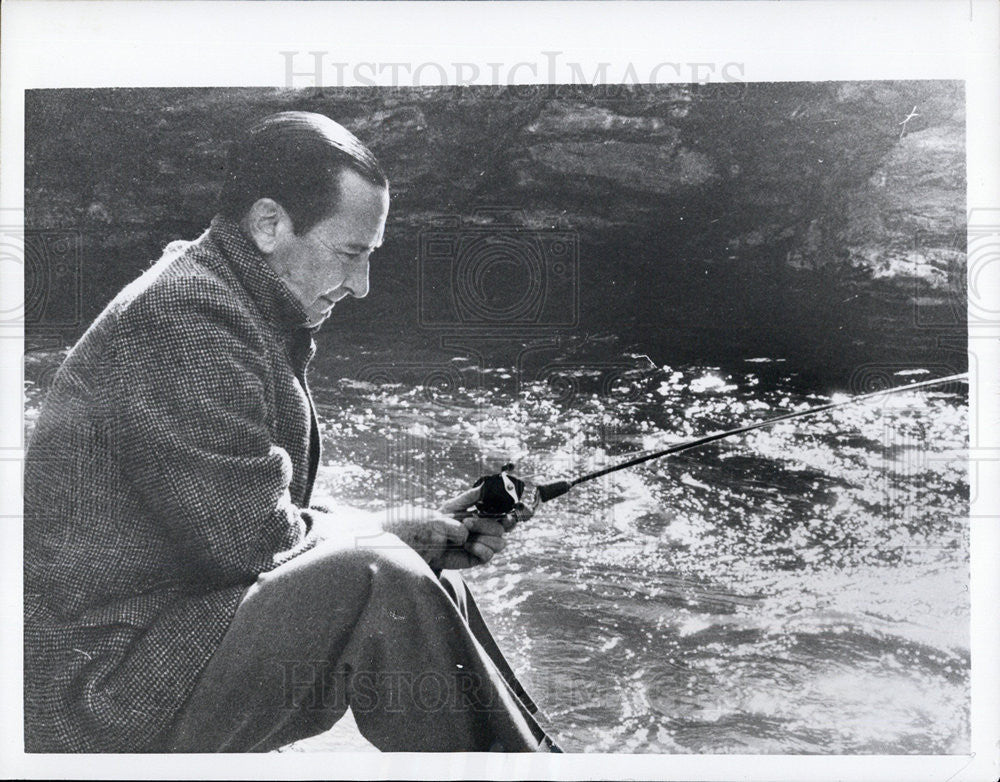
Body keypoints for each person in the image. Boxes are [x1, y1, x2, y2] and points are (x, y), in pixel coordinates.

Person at [23, 111, 559, 753]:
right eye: (350, 254)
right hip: (96, 695)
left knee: (423, 576)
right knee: (376, 574)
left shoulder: (223, 300)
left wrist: (407, 531)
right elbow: (252, 544)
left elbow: (255, 519)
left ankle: (535, 760)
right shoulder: (183, 318)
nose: (361, 287)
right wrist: (385, 532)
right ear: (270, 224)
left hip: (149, 643)